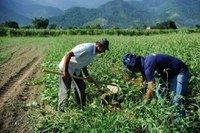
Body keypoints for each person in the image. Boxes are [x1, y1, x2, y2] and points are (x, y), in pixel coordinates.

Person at [122, 53, 189, 116]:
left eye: (130, 68)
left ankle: (181, 125)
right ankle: (166, 114)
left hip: (180, 72)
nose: (131, 70)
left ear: (134, 64)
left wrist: (143, 104)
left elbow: (151, 88)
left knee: (176, 101)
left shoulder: (148, 65)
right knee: (159, 93)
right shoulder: (142, 65)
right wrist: (140, 94)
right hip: (167, 74)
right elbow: (145, 81)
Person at [58, 38, 109, 110]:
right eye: (104, 49)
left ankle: (82, 106)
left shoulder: (94, 52)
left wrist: (87, 75)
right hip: (67, 67)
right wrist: (65, 72)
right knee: (66, 90)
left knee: (81, 87)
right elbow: (68, 54)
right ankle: (61, 109)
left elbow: (83, 63)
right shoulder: (87, 48)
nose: (104, 51)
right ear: (99, 46)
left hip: (76, 68)